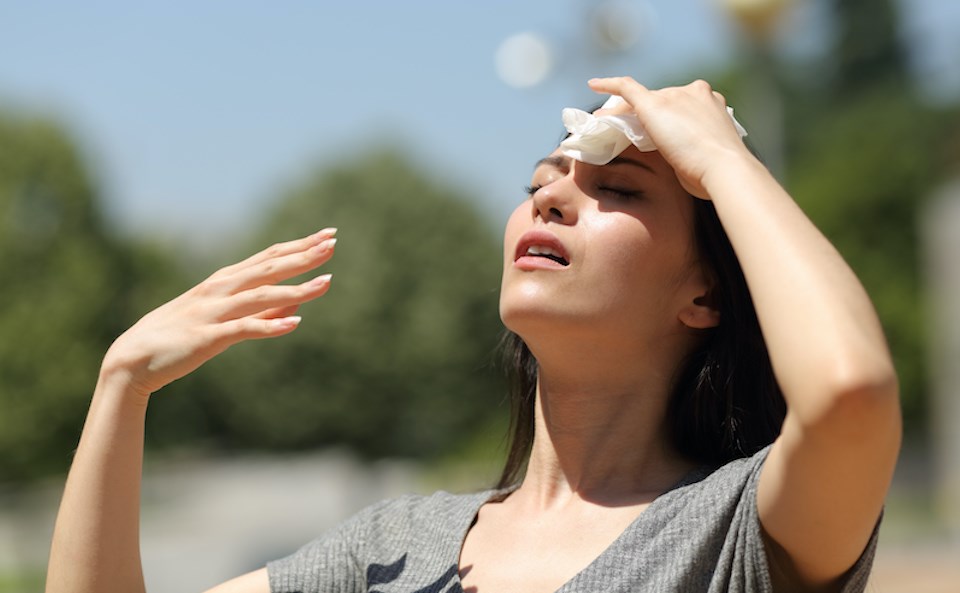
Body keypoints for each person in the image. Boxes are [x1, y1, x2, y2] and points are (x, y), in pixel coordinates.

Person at [45, 78, 901, 593]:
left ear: (706, 293)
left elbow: (847, 392)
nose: (551, 198)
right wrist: (123, 385)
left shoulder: (737, 530)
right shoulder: (391, 548)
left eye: (623, 190)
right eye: (540, 180)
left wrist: (720, 156)